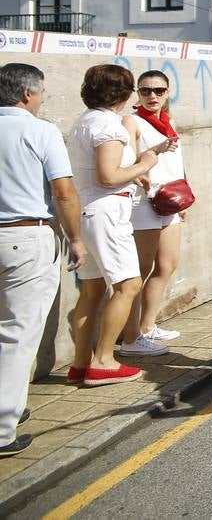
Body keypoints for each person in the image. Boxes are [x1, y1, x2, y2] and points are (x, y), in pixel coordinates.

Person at [68, 65, 173, 387]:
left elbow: (102, 170)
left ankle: (81, 363)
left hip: (87, 210)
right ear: (125, 93)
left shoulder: (84, 122)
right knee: (128, 285)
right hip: (106, 212)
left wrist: (132, 170)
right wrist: (145, 163)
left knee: (93, 289)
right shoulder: (109, 126)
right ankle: (103, 362)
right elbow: (108, 176)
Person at [0, 64, 84, 457]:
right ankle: (3, 430)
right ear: (27, 94)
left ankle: (11, 408)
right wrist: (77, 239)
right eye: (42, 92)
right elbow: (64, 193)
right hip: (24, 237)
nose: (44, 98)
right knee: (18, 335)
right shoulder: (40, 130)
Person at [119, 71, 188, 356]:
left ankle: (147, 325)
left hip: (171, 200)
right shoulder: (131, 121)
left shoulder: (168, 120)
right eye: (146, 91)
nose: (152, 96)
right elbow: (129, 160)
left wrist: (184, 199)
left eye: (158, 91)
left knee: (167, 264)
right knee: (140, 269)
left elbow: (178, 162)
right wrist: (154, 150)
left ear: (167, 92)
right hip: (143, 202)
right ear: (137, 92)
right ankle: (131, 336)